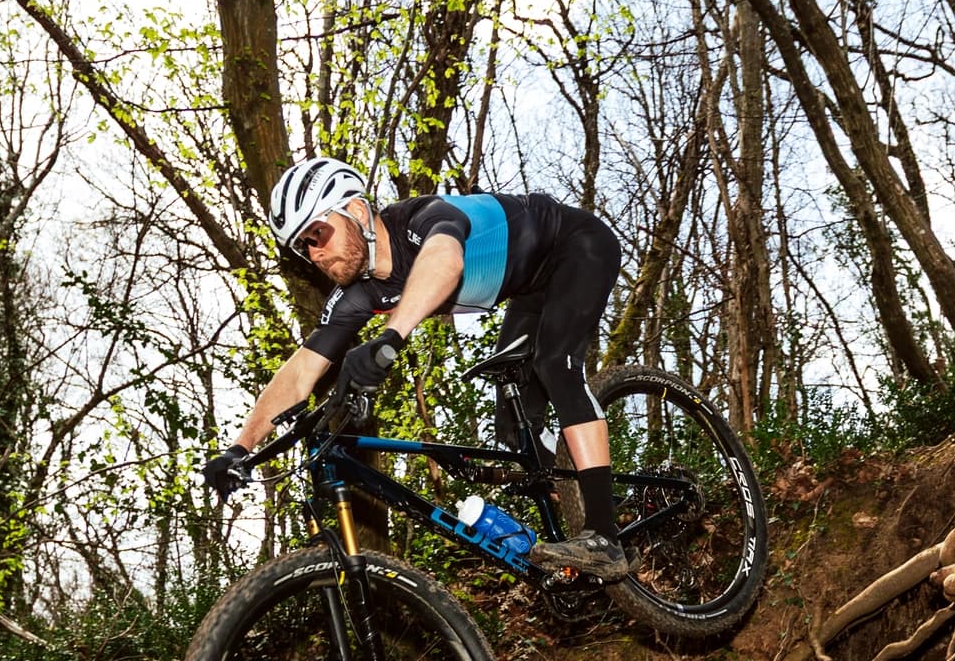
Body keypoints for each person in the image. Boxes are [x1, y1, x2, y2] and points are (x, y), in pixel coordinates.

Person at [201, 156, 636, 579]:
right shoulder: (360, 293)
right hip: (529, 290)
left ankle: (605, 536)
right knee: (514, 424)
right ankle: (585, 531)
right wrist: (240, 449)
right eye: (303, 246)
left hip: (576, 245)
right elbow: (300, 372)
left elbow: (445, 261)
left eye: (318, 233)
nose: (314, 253)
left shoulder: (425, 218)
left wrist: (389, 339)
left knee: (554, 365)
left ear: (356, 210)